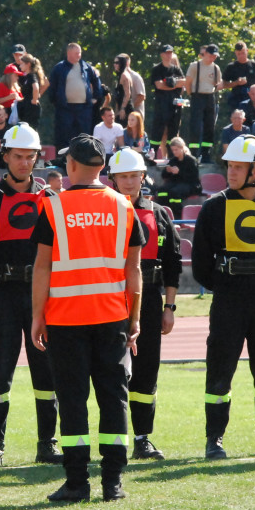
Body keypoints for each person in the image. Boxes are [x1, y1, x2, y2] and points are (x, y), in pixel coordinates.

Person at [30, 133, 145, 502]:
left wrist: (37, 316)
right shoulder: (124, 206)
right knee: (114, 398)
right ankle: (113, 482)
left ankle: (77, 482)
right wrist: (135, 317)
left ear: (73, 166)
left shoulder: (53, 207)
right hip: (112, 318)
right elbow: (135, 270)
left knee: (73, 400)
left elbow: (42, 267)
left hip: (65, 319)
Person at [0, 123, 64, 467]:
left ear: (38, 158)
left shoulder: (51, 201)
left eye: (30, 156)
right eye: (17, 156)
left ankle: (47, 443)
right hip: (3, 295)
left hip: (42, 298)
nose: (24, 162)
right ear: (5, 156)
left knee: (47, 372)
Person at [192, 136, 255, 459]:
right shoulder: (213, 207)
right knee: (220, 370)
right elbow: (200, 264)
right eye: (229, 166)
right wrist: (226, 283)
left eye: (238, 167)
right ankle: (214, 439)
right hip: (228, 298)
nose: (231, 172)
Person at [108, 148, 182, 460]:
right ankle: (113, 438)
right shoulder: (103, 212)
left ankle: (142, 438)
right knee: (109, 371)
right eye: (122, 176)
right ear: (112, 178)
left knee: (146, 370)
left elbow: (173, 262)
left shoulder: (161, 214)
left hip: (150, 298)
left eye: (133, 175)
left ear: (143, 177)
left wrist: (170, 307)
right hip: (110, 299)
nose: (128, 181)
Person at [48, 43, 103, 151]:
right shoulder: (59, 68)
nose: (79, 55)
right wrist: (57, 101)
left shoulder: (86, 67)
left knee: (84, 135)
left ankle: (83, 159)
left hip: (83, 109)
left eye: (80, 53)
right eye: (76, 53)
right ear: (69, 53)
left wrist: (96, 97)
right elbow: (52, 87)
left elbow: (96, 81)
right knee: (64, 135)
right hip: (65, 108)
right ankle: (63, 160)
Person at [184, 44, 223, 164]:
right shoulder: (195, 66)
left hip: (210, 97)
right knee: (195, 126)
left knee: (209, 127)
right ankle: (194, 153)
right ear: (205, 53)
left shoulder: (216, 68)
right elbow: (188, 83)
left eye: (215, 56)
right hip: (197, 96)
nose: (213, 58)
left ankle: (206, 153)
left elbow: (218, 83)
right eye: (211, 55)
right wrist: (192, 95)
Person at [157, 137, 201, 217]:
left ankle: (177, 215)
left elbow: (193, 177)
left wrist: (179, 172)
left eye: (176, 150)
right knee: (161, 191)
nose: (174, 152)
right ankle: (163, 212)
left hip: (190, 185)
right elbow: (164, 175)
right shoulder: (173, 160)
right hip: (176, 183)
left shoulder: (191, 160)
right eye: (173, 150)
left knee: (174, 193)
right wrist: (167, 171)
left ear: (182, 148)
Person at [222, 41, 255, 112]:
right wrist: (236, 83)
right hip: (236, 99)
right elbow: (224, 84)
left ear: (247, 51)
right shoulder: (231, 67)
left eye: (243, 53)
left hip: (252, 99)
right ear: (235, 53)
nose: (241, 56)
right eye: (239, 54)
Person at [17, 54, 48, 128]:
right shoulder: (27, 77)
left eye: (22, 64)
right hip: (26, 107)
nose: (20, 66)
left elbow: (36, 88)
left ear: (28, 64)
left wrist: (34, 99)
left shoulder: (31, 76)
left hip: (31, 109)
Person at [111, 54, 134, 124]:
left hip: (125, 109)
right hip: (120, 108)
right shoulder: (120, 75)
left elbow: (127, 94)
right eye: (114, 63)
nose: (115, 65)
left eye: (117, 63)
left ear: (122, 63)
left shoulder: (124, 75)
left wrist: (123, 109)